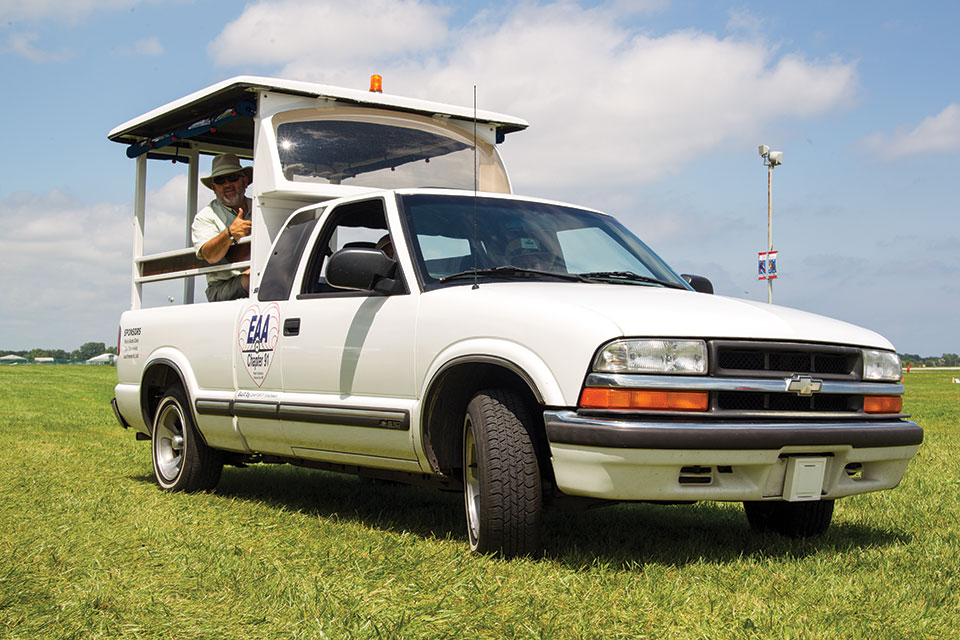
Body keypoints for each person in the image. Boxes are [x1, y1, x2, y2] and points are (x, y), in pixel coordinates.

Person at [191, 154, 253, 301]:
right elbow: (210, 256)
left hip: (260, 275)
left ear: (245, 181)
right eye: (220, 180)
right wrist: (230, 233)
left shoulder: (261, 206)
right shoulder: (205, 217)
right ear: (213, 187)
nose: (227, 184)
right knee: (259, 279)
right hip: (222, 287)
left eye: (233, 178)